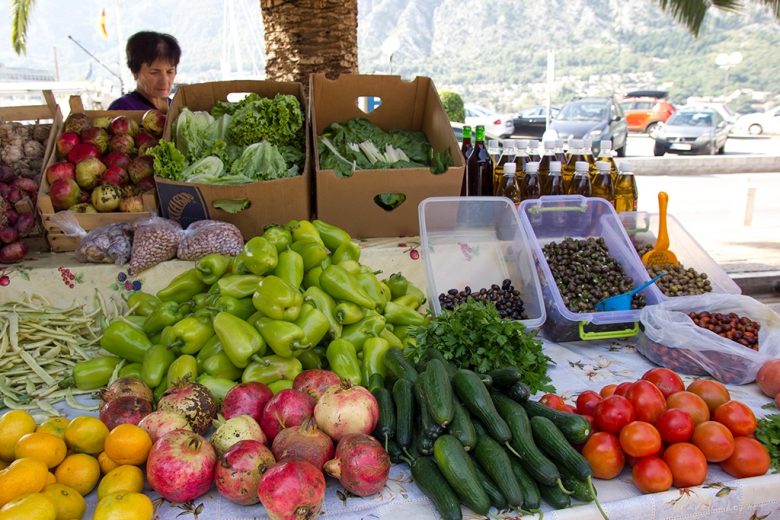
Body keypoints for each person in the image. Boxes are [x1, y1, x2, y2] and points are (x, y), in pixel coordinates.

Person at [108, 31, 181, 112]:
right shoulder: (123, 109)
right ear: (135, 72)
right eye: (154, 72)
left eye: (170, 72)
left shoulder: (176, 109)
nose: (164, 81)